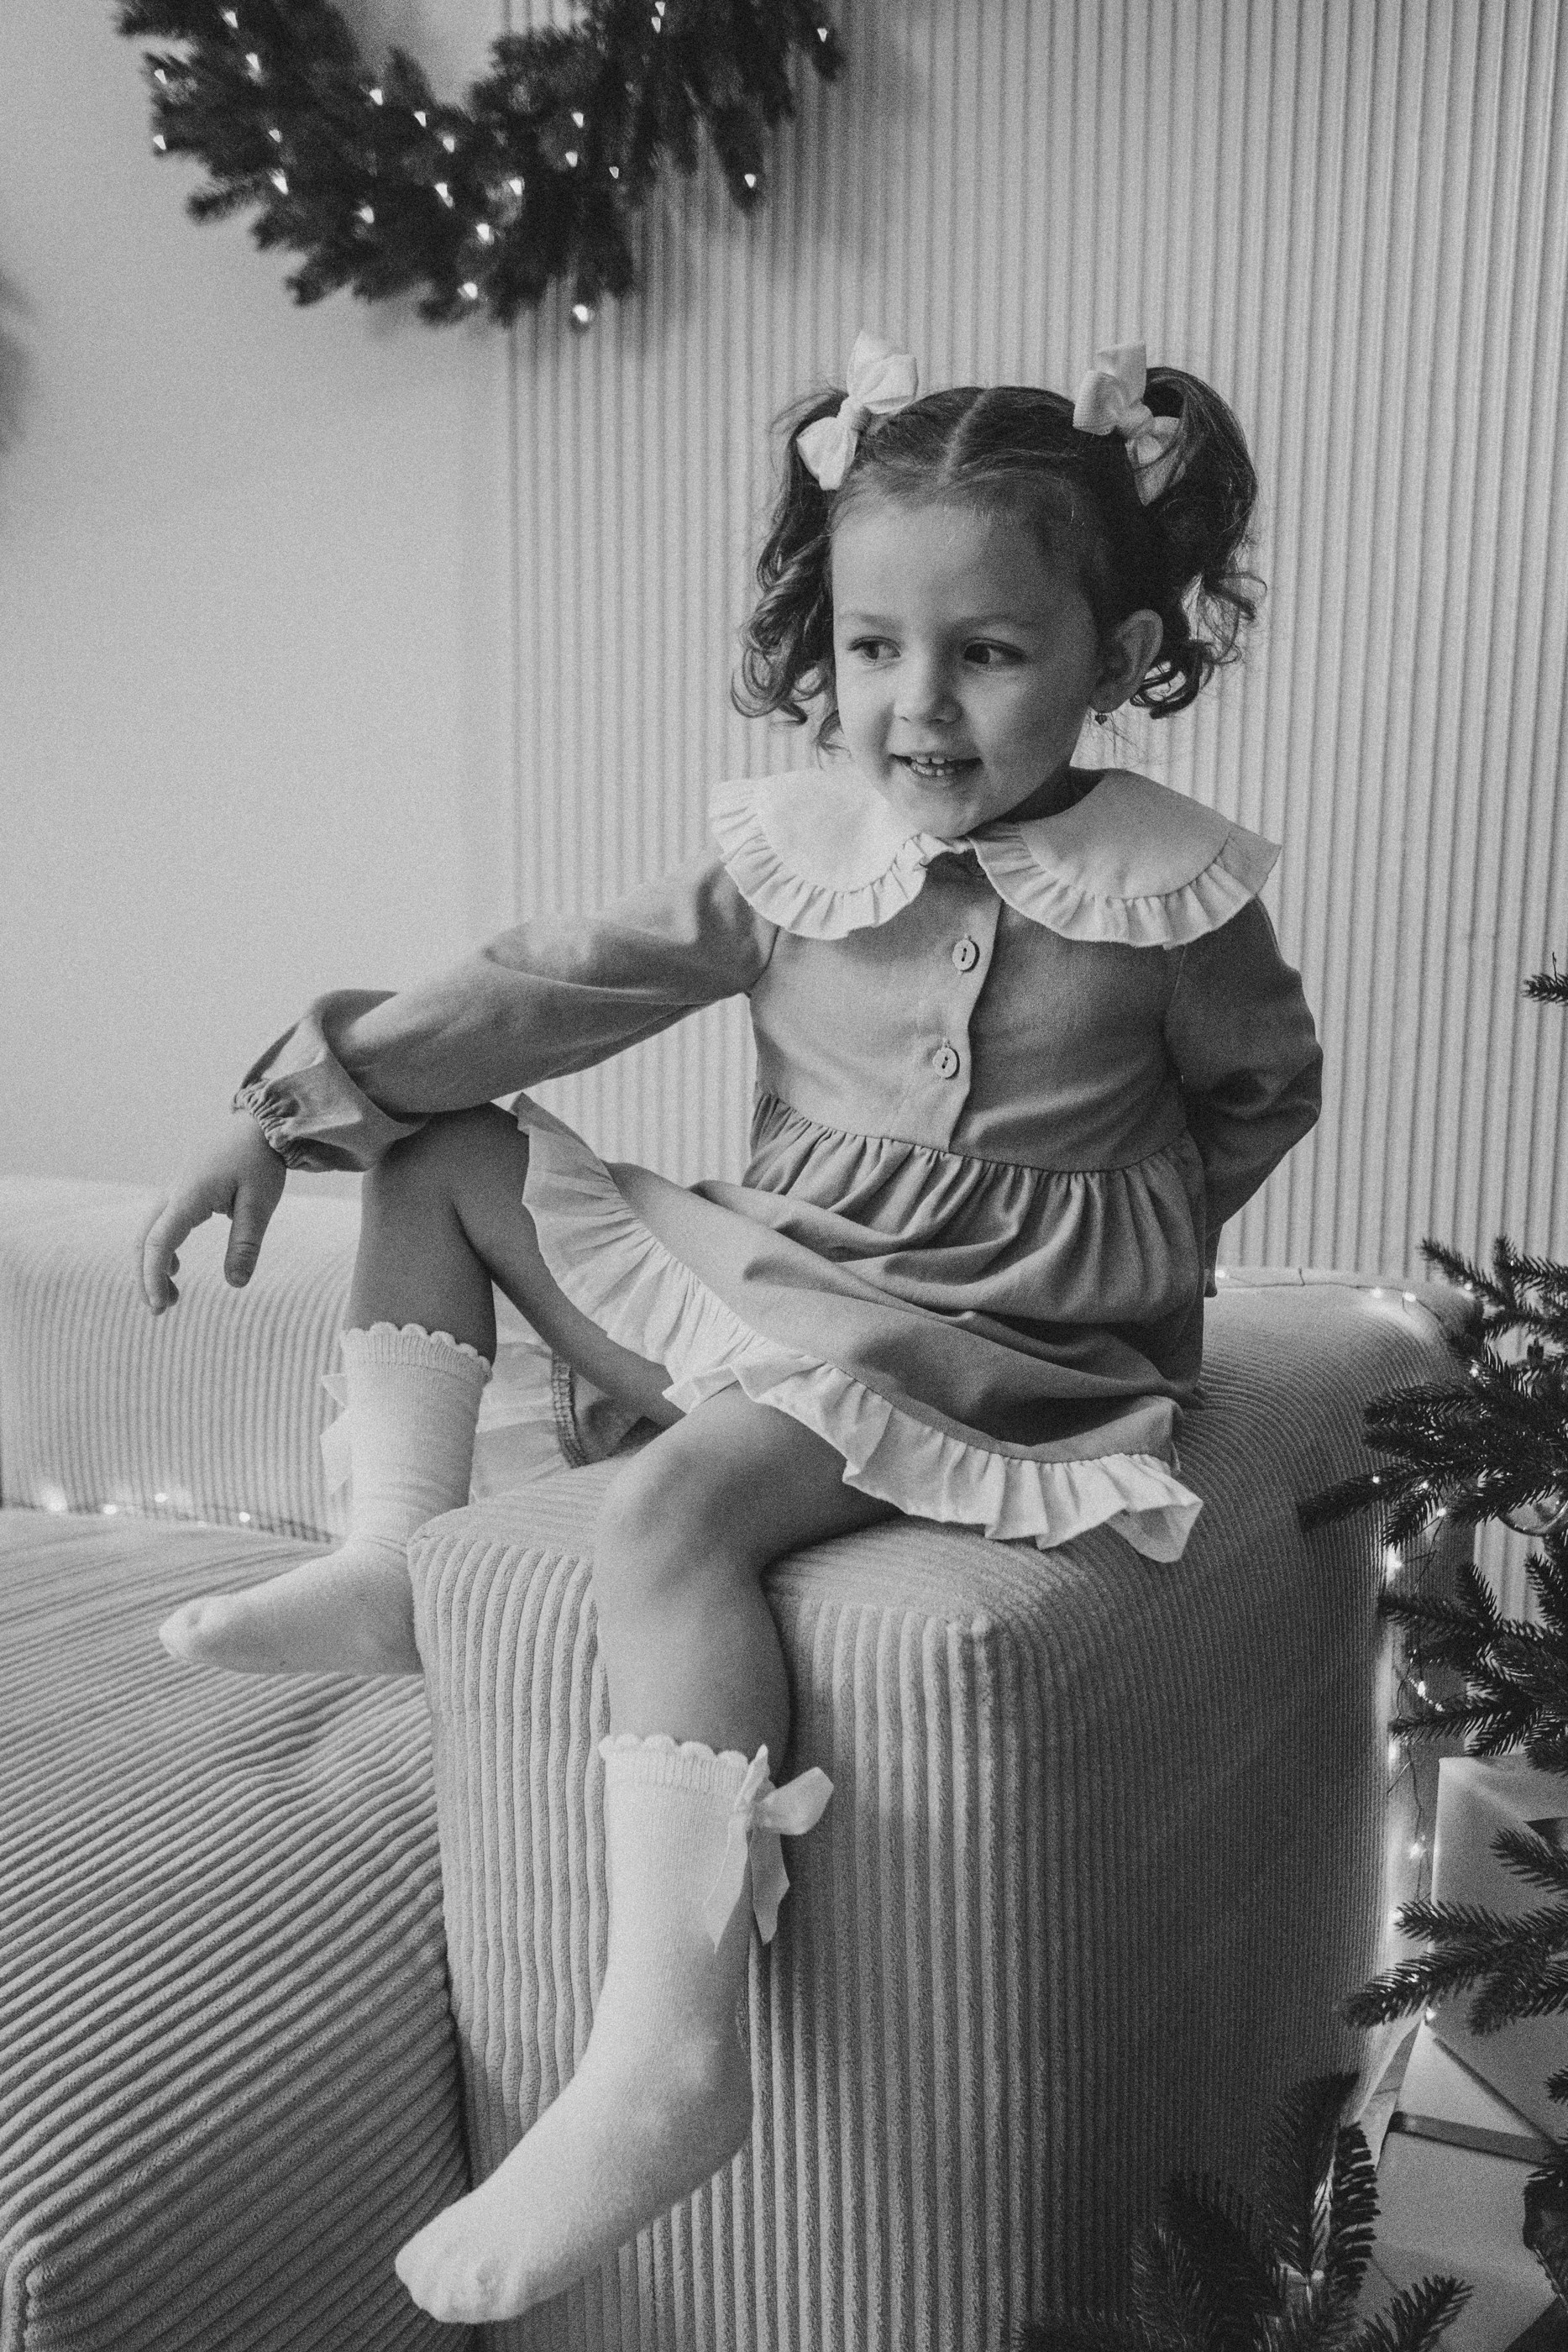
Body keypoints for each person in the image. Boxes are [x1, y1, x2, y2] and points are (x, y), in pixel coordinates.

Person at [136, 332, 1322, 2323]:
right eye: (872, 647)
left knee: (672, 1510)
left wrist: (1117, 1262)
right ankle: (391, 1555)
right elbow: (538, 984)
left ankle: (667, 2052)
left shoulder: (1168, 900)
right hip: (778, 1270)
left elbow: (1259, 1096)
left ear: (1115, 651)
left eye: (985, 652)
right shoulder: (797, 856)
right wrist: (275, 1113)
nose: (914, 702)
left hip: (993, 1345)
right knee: (442, 1145)